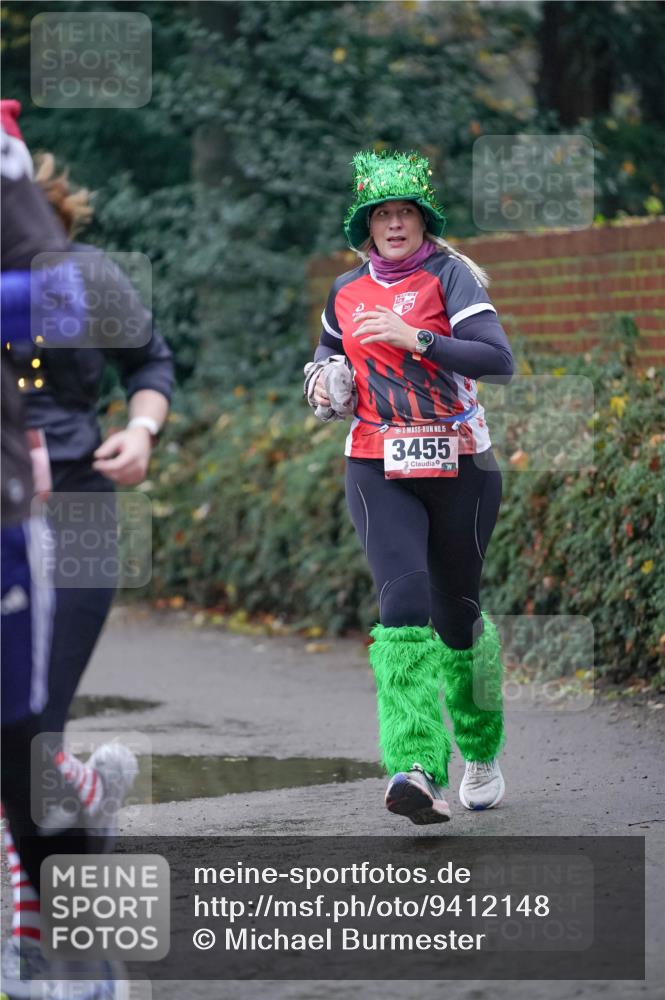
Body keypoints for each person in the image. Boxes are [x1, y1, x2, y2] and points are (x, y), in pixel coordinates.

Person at [305, 150, 514, 825]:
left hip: (460, 465)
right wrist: (322, 382)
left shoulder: (449, 276)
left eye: (404, 212)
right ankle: (416, 768)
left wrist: (414, 337)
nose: (393, 224)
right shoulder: (345, 289)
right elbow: (324, 358)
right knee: (402, 602)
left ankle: (479, 751)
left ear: (422, 221)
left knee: (457, 616)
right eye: (381, 214)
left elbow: (495, 359)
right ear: (365, 226)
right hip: (375, 462)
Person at [9, 146, 175, 736]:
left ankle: (34, 814)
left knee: (46, 703)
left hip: (76, 493)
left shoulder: (85, 273)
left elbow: (149, 363)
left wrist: (140, 431)